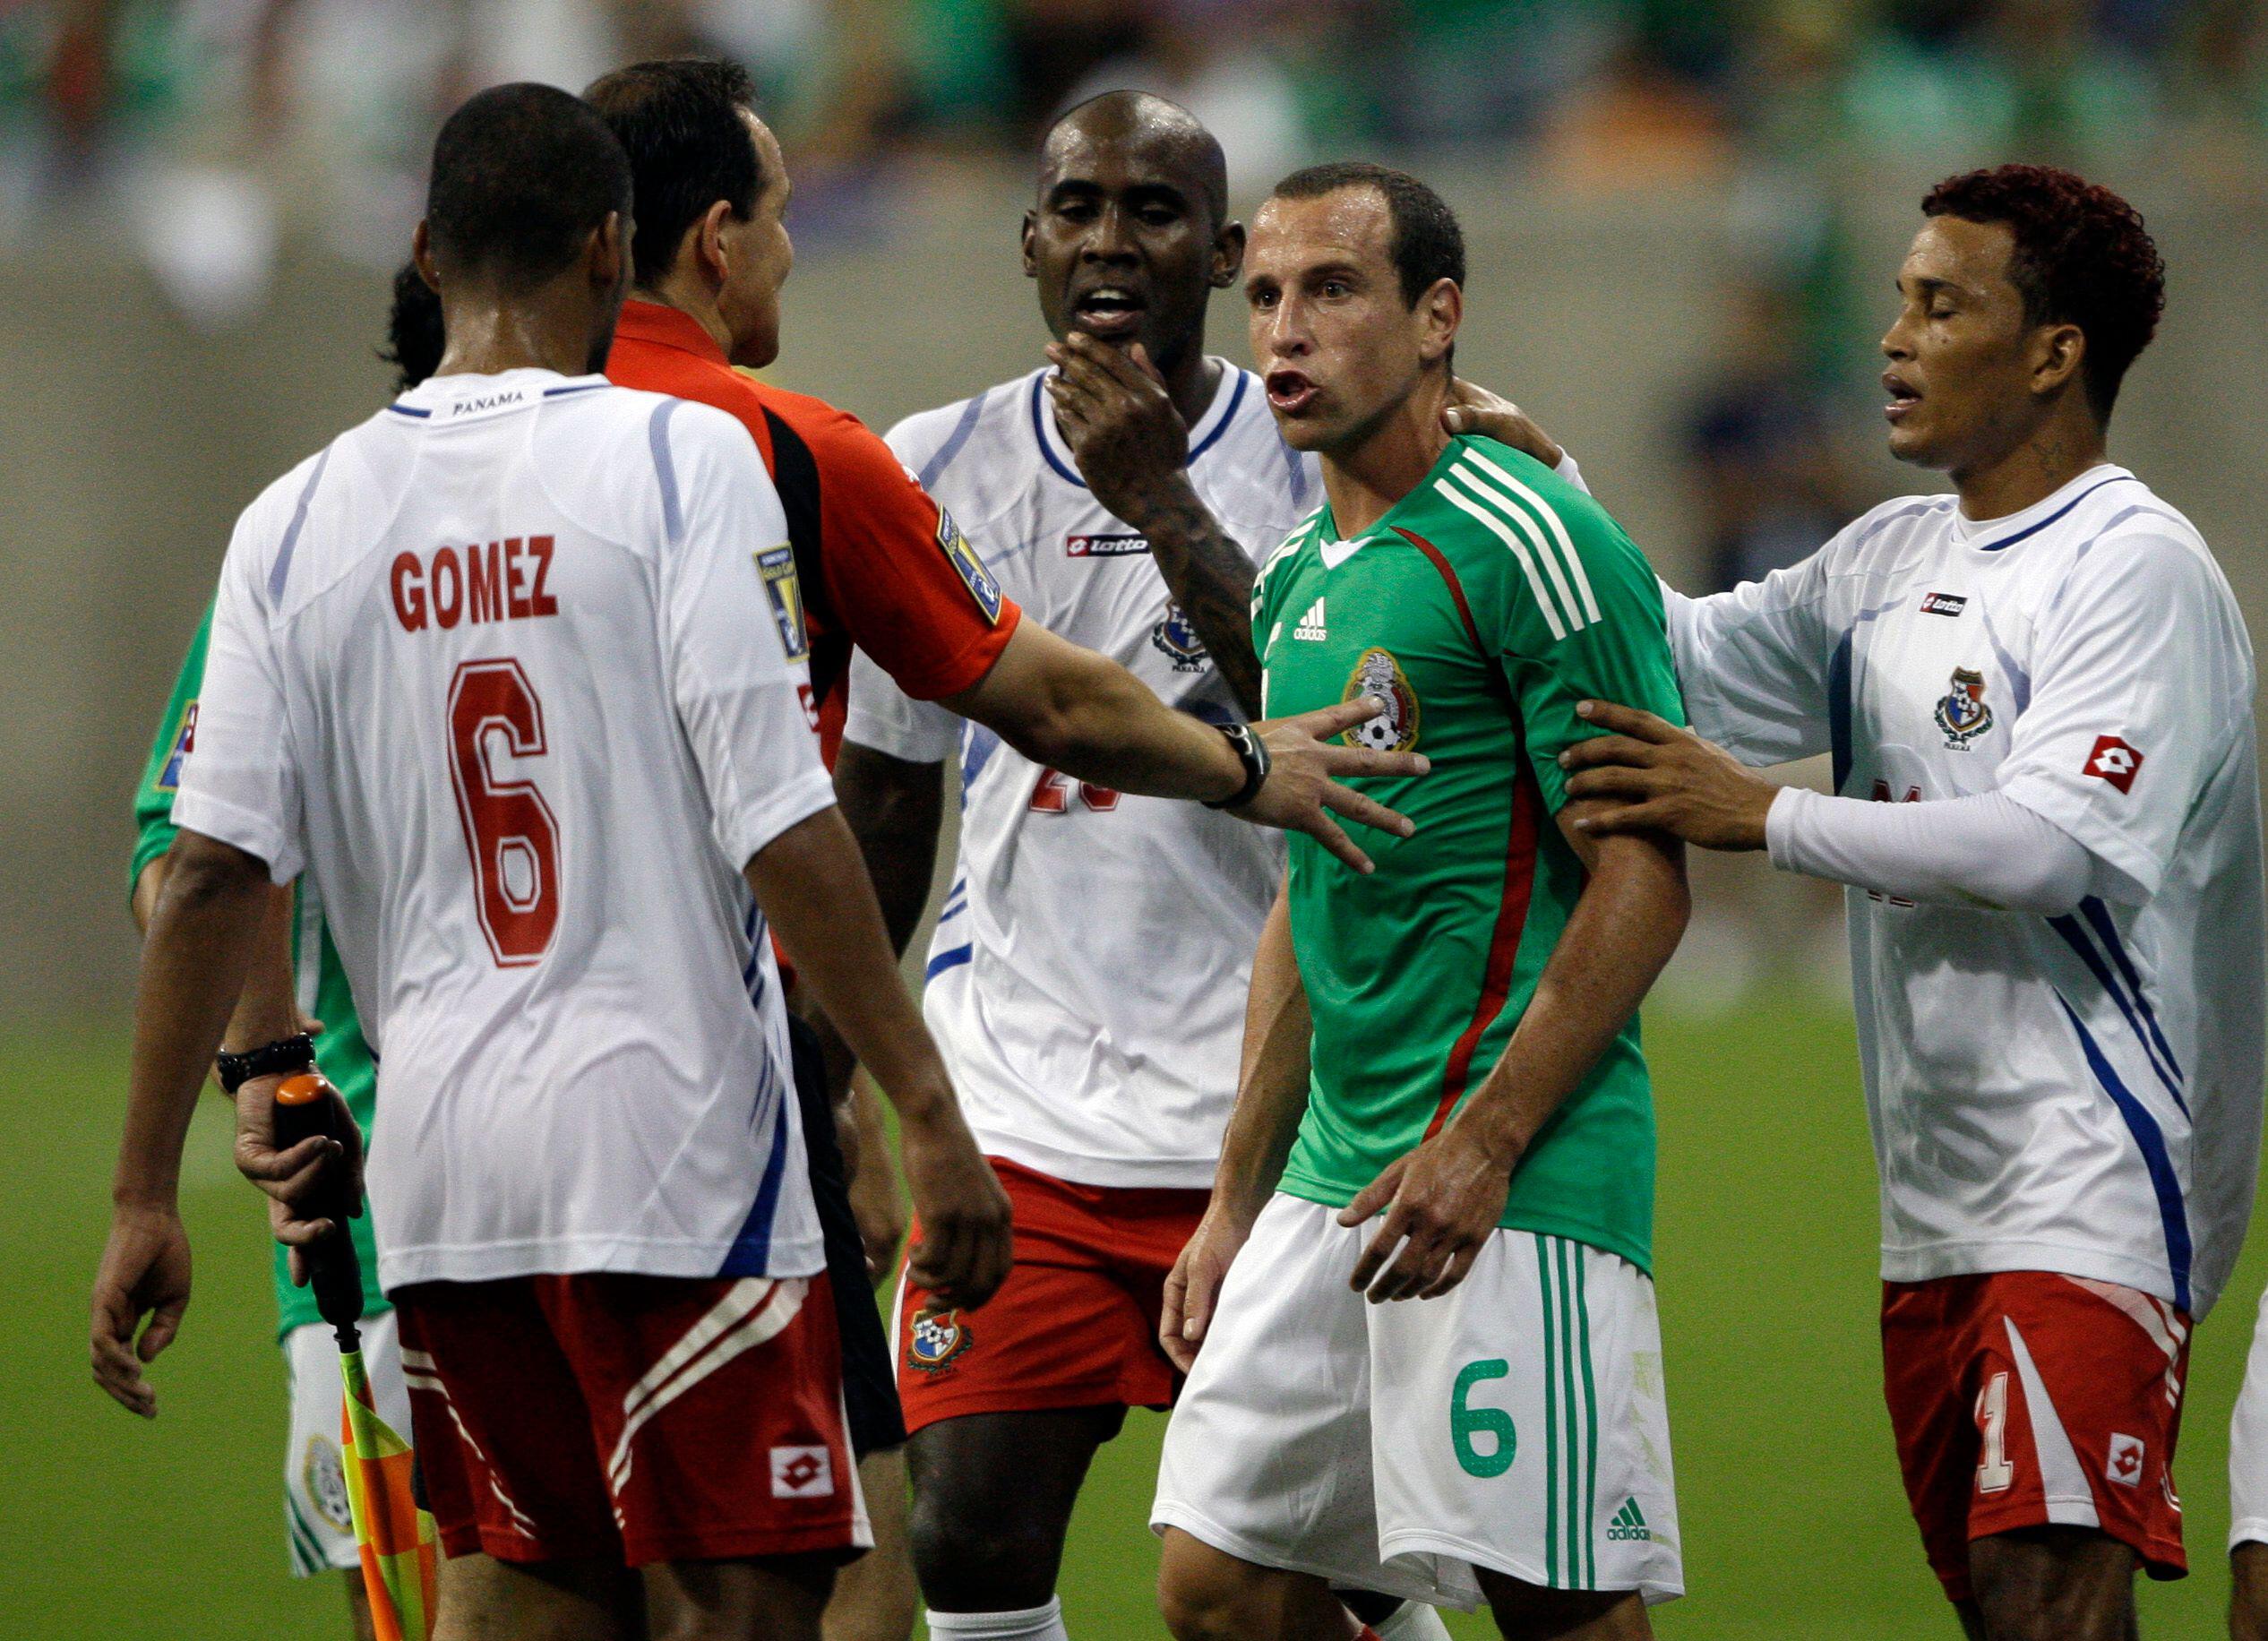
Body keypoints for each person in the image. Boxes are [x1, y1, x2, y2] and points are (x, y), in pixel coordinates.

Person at [89, 82, 1022, 1641]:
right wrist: (923, 1107)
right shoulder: (677, 463)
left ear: (422, 249)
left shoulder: (291, 521)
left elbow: (203, 871)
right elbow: (782, 823)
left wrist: (142, 1194)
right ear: (614, 247)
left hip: (446, 1180)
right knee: (755, 1607)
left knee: (521, 1602)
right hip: (676, 1157)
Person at [1497, 164, 2264, 1641]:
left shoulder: (2135, 568)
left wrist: (1763, 814)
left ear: (2054, 352)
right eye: (1899, 302)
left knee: (2048, 1602)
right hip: (1937, 1208)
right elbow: (1680, 655)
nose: (1896, 338)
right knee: (2006, 1608)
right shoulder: (1890, 557)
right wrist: (1553, 498)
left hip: (2097, 1179)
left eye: (1940, 305)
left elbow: (2051, 848)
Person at [836, 91, 1444, 1641]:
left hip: (1281, 1103)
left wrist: (1163, 505)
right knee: (966, 1537)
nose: (1112, 241)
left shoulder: (1321, 454)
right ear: (1030, 242)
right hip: (1027, 1091)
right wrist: (850, 1073)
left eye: (1155, 212)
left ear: (1224, 253)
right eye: (1080, 208)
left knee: (1322, 1580)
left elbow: (1355, 743)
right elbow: (891, 806)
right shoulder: (932, 465)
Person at [1151, 162, 1691, 1641]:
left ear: (1437, 313)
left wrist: (1488, 1145)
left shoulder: (1531, 538)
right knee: (1217, 1582)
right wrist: (1231, 1203)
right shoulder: (1290, 582)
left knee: (1557, 1607)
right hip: (1337, 1179)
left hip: (1517, 1177)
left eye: (1331, 289)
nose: (1284, 332)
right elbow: (1307, 896)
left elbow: (1647, 879)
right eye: (1262, 295)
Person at [116, 268, 448, 1641]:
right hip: (364, 1211)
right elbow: (186, 858)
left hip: (429, 1202)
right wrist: (267, 1048)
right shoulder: (314, 544)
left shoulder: (299, 533)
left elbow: (182, 866)